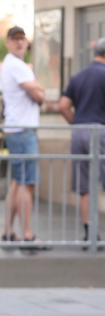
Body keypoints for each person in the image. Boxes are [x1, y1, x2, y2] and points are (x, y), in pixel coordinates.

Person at [0, 26, 45, 245]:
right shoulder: (17, 66)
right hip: (23, 130)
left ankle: (8, 230)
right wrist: (39, 89)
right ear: (8, 42)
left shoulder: (10, 64)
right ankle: (26, 232)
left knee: (18, 182)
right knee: (26, 183)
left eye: (22, 39)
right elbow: (38, 94)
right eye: (15, 39)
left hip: (16, 129)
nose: (19, 42)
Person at [58, 36, 105, 245]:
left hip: (80, 132)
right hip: (101, 132)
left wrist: (77, 123)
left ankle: (89, 232)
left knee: (85, 186)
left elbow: (63, 105)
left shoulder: (78, 76)